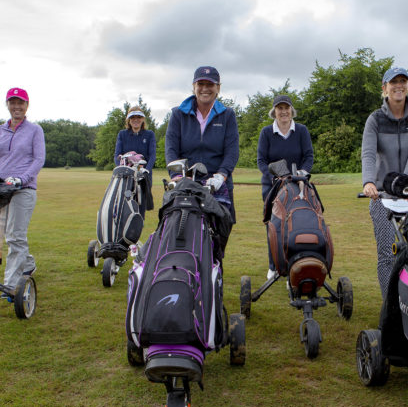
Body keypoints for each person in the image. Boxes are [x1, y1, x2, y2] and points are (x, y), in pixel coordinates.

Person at [361, 67, 408, 298]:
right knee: (388, 253)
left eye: (403, 81)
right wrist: (368, 182)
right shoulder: (375, 119)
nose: (399, 86)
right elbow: (368, 154)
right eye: (393, 82)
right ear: (385, 88)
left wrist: (405, 184)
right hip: (381, 193)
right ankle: (390, 306)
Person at [165, 66, 239, 251]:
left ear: (218, 88)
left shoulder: (227, 114)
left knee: (219, 232)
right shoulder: (178, 114)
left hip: (217, 183)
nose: (205, 88)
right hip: (185, 181)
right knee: (176, 226)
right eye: (201, 84)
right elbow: (171, 148)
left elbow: (231, 151)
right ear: (193, 86)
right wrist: (176, 176)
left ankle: (214, 269)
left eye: (210, 84)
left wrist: (221, 175)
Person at [0, 87, 45, 296]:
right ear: (7, 105)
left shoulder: (35, 130)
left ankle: (10, 285)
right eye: (12, 102)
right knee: (0, 234)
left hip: (23, 189)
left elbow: (38, 159)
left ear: (27, 105)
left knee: (15, 235)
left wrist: (21, 179)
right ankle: (28, 264)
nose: (16, 106)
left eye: (20, 103)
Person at [257, 94, 314, 279]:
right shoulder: (266, 132)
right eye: (279, 108)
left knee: (296, 223)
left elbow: (308, 156)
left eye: (286, 108)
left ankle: (293, 264)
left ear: (291, 110)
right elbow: (262, 161)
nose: (283, 112)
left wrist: (302, 174)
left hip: (297, 184)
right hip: (272, 186)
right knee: (274, 225)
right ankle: (273, 266)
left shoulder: (301, 130)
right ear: (274, 111)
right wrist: (276, 177)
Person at [114, 105, 156, 211]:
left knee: (140, 209)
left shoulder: (149, 134)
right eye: (132, 117)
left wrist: (146, 170)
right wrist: (122, 169)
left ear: (143, 119)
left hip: (143, 177)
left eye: (138, 117)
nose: (136, 120)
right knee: (125, 207)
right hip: (126, 177)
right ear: (128, 120)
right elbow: (117, 155)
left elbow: (152, 155)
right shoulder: (122, 134)